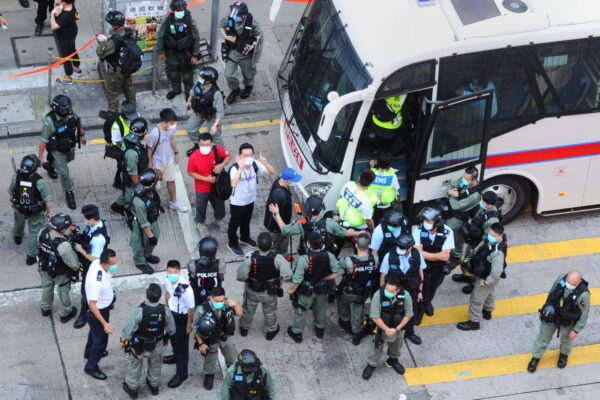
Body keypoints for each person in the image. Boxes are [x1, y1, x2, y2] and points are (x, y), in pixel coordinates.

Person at [270, 194, 362, 302]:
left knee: (303, 275)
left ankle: (301, 294)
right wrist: (360, 232)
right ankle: (332, 293)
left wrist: (276, 214)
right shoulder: (329, 223)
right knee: (328, 273)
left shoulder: (303, 224)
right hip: (326, 257)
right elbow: (345, 233)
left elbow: (285, 229)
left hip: (308, 259)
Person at [528, 270, 590, 373]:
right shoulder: (562, 278)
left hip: (567, 319)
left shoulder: (584, 295)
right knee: (544, 336)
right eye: (568, 282)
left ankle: (564, 355)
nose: (569, 285)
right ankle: (535, 357)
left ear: (579, 282)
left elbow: (584, 314)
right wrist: (547, 308)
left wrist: (576, 330)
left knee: (566, 339)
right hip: (553, 314)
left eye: (572, 284)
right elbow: (552, 292)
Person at [121, 283, 176, 398]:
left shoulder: (138, 312)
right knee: (156, 366)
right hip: (157, 345)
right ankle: (154, 387)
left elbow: (127, 333)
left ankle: (132, 390)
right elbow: (172, 330)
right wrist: (164, 338)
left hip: (138, 347)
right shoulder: (165, 311)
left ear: (147, 294)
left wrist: (124, 341)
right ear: (160, 295)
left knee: (134, 366)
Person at [287, 232, 342, 343]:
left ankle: (297, 333)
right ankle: (320, 330)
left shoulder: (304, 259)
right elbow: (338, 271)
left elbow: (297, 279)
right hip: (321, 289)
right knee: (320, 309)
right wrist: (325, 278)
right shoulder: (329, 255)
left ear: (308, 245)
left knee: (301, 310)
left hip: (306, 291)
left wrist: (291, 290)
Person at [237, 232, 292, 340]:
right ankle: (270, 332)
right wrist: (281, 279)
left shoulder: (250, 259)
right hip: (270, 292)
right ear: (272, 244)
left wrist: (249, 279)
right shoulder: (278, 258)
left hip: (252, 290)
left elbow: (240, 276)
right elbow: (289, 274)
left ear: (257, 244)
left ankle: (244, 329)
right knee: (270, 312)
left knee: (248, 310)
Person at [39, 94, 85, 210]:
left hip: (69, 147)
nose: (66, 111)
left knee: (70, 159)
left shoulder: (72, 113)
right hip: (57, 150)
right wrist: (40, 158)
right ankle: (69, 192)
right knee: (64, 173)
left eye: (68, 108)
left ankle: (50, 166)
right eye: (63, 109)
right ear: (56, 108)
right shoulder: (49, 121)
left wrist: (82, 135)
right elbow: (43, 141)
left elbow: (79, 123)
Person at [456, 223, 506, 331]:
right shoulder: (498, 242)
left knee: (476, 299)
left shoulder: (497, 253)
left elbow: (497, 271)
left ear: (499, 235)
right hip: (489, 275)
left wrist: (488, 281)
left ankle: (474, 322)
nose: (489, 236)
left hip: (488, 277)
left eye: (492, 234)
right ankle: (487, 312)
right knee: (489, 292)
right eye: (489, 233)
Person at [227, 143, 275, 256]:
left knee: (246, 220)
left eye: (250, 155)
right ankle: (232, 243)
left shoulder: (255, 164)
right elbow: (233, 184)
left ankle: (245, 237)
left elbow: (272, 172)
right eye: (245, 155)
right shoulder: (234, 168)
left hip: (250, 200)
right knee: (234, 223)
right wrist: (241, 167)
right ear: (239, 157)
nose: (248, 157)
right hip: (237, 202)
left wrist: (265, 163)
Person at [379, 233, 426, 345]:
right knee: (392, 313)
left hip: (411, 290)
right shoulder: (389, 256)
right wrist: (382, 292)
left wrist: (420, 291)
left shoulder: (416, 254)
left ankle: (410, 333)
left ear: (410, 247)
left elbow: (421, 273)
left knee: (411, 312)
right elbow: (383, 275)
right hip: (394, 290)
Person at [362, 277, 412, 380]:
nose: (387, 292)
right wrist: (386, 329)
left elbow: (408, 314)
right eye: (386, 289)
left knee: (396, 345)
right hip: (381, 328)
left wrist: (397, 329)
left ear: (397, 290)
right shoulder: (378, 295)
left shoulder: (406, 296)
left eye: (391, 291)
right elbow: (375, 316)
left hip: (398, 328)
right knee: (376, 347)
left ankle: (393, 360)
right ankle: (371, 364)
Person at [193, 287, 242, 390]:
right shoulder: (202, 309)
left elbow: (239, 313)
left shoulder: (226, 303)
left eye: (221, 300)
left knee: (232, 356)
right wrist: (201, 344)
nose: (220, 303)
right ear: (211, 298)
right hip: (210, 339)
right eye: (217, 301)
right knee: (210, 359)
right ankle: (209, 375)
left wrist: (234, 304)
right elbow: (196, 329)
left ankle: (232, 370)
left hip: (225, 335)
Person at [452, 191, 501, 294]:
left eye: (483, 201)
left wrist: (476, 250)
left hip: (479, 246)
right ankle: (466, 276)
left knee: (474, 264)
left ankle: (473, 283)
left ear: (489, 205)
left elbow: (487, 238)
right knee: (466, 261)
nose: (481, 202)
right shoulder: (484, 208)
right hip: (473, 241)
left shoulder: (492, 220)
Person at [9, 154, 52, 266]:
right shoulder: (39, 182)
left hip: (19, 207)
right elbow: (47, 199)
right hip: (35, 211)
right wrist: (49, 212)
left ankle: (17, 236)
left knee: (18, 222)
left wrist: (13, 203)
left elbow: (11, 192)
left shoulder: (16, 177)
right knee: (34, 233)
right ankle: (31, 256)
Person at [72, 204, 110, 329]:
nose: (84, 221)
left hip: (92, 266)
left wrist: (81, 250)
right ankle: (109, 298)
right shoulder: (92, 226)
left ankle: (83, 314)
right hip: (89, 260)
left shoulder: (98, 238)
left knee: (86, 290)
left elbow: (96, 260)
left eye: (85, 218)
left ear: (92, 220)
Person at [413, 207, 454, 320]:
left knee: (433, 287)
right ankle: (420, 308)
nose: (426, 223)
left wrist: (425, 254)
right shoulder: (419, 229)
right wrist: (436, 256)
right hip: (422, 266)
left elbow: (445, 255)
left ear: (437, 222)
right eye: (425, 221)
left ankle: (428, 302)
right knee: (421, 286)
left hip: (438, 267)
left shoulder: (447, 232)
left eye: (429, 221)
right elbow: (417, 252)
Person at [187, 132, 231, 237]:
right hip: (202, 188)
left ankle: (218, 219)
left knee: (219, 204)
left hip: (217, 186)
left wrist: (222, 165)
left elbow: (228, 156)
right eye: (202, 145)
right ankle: (201, 223)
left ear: (211, 144)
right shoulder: (193, 157)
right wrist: (205, 179)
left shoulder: (217, 149)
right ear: (198, 144)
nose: (204, 147)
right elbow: (190, 172)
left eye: (207, 145)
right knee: (201, 206)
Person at [337, 233, 378, 345]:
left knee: (342, 303)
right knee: (358, 309)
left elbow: (338, 266)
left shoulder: (348, 260)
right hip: (363, 292)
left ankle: (344, 321)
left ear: (355, 246)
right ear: (369, 245)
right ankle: (356, 335)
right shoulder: (374, 259)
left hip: (348, 291)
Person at [37, 213, 80, 322]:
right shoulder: (64, 246)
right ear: (62, 229)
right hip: (60, 273)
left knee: (47, 287)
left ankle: (45, 308)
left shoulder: (42, 232)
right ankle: (65, 314)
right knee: (63, 291)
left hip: (45, 268)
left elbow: (40, 245)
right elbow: (74, 265)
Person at [84, 248, 117, 380]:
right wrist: (104, 323)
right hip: (98, 312)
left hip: (102, 308)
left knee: (94, 333)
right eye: (112, 264)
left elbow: (93, 259)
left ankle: (88, 352)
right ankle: (91, 367)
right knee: (101, 341)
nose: (115, 266)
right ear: (104, 264)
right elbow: (92, 305)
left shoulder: (97, 262)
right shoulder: (96, 282)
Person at [146, 108, 188, 212]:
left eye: (175, 122)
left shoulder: (171, 128)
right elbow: (149, 148)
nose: (174, 125)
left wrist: (176, 153)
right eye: (172, 122)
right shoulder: (155, 133)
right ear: (164, 122)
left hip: (168, 159)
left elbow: (172, 139)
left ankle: (174, 202)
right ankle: (153, 205)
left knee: (171, 181)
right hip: (157, 163)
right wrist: (150, 163)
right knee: (155, 186)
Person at [220, 1, 262, 104]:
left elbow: (260, 36)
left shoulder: (252, 23)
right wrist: (226, 36)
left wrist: (253, 45)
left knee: (249, 74)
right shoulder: (230, 19)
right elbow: (221, 26)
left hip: (246, 54)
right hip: (233, 52)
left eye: (237, 14)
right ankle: (235, 90)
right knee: (229, 75)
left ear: (244, 15)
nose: (234, 15)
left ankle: (248, 86)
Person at [157, 0, 200, 100]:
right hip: (171, 53)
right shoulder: (167, 21)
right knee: (173, 73)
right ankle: (176, 90)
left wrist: (195, 55)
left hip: (186, 53)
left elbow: (196, 38)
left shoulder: (190, 22)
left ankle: (189, 92)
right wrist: (161, 51)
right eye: (178, 10)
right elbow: (161, 36)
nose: (180, 12)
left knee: (187, 74)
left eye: (182, 10)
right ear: (173, 10)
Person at [162, 260, 195, 388]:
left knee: (182, 346)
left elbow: (191, 308)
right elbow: (167, 293)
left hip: (182, 318)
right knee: (173, 339)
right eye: (170, 271)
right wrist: (166, 308)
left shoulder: (185, 288)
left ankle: (182, 373)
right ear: (167, 271)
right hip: (171, 314)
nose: (172, 274)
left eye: (175, 272)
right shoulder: (167, 279)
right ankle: (175, 356)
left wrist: (189, 324)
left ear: (179, 272)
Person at [96, 10, 136, 116]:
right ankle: (132, 106)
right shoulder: (129, 32)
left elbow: (100, 53)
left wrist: (102, 42)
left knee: (112, 91)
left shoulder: (114, 41)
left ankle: (112, 112)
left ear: (114, 26)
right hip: (127, 66)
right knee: (128, 87)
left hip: (115, 70)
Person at [110, 118, 149, 215]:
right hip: (132, 177)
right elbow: (133, 173)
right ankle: (116, 207)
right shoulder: (132, 154)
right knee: (130, 196)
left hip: (137, 171)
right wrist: (138, 186)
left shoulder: (129, 138)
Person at [445, 166, 481, 268]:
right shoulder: (463, 180)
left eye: (466, 179)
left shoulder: (475, 195)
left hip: (458, 221)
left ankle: (456, 258)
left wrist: (451, 195)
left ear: (473, 180)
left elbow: (456, 206)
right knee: (448, 235)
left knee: (457, 241)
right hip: (449, 217)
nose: (463, 180)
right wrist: (450, 192)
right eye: (463, 177)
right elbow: (450, 186)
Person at [185, 67, 225, 154]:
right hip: (200, 111)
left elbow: (220, 111)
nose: (199, 78)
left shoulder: (216, 93)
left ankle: (221, 154)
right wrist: (189, 100)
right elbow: (192, 91)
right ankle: (199, 145)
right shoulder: (199, 83)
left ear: (208, 81)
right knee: (190, 128)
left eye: (202, 78)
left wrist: (215, 125)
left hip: (212, 116)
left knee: (215, 137)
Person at [130, 169, 162, 275]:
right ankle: (140, 261)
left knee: (155, 236)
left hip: (152, 220)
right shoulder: (139, 202)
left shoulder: (149, 190)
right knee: (138, 243)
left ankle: (147, 255)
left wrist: (153, 237)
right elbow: (143, 223)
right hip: (141, 224)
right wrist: (150, 236)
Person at [263, 167, 301, 254]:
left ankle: (283, 253)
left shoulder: (280, 181)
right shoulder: (279, 195)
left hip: (285, 223)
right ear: (287, 180)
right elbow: (275, 214)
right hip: (276, 227)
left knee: (284, 241)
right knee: (273, 245)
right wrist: (284, 227)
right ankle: (273, 260)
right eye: (293, 180)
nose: (295, 182)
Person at [104, 102, 139, 189]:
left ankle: (118, 181)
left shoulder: (135, 116)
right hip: (121, 148)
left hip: (131, 144)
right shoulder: (117, 126)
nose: (133, 118)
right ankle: (121, 183)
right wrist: (126, 152)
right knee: (122, 166)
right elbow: (118, 143)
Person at [50, 0, 81, 84]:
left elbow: (53, 26)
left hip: (64, 37)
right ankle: (77, 68)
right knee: (72, 50)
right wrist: (56, 4)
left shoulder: (66, 15)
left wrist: (52, 14)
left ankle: (68, 77)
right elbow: (76, 16)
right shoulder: (70, 4)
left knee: (65, 57)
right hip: (72, 31)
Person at [367, 152, 400, 226]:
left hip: (373, 205)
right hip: (387, 206)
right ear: (389, 165)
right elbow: (397, 188)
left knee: (374, 223)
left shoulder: (371, 172)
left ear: (377, 162)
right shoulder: (392, 176)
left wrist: (371, 166)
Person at [189, 236, 224, 306]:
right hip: (215, 294)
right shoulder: (221, 264)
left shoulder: (192, 265)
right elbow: (221, 277)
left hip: (198, 294)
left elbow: (192, 277)